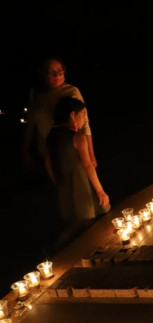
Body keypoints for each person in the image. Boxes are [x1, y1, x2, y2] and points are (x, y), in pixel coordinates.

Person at [44, 96, 110, 248]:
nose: (84, 119)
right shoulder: (78, 137)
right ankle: (89, 248)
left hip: (64, 185)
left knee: (76, 220)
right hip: (81, 185)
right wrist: (100, 191)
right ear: (73, 115)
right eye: (83, 115)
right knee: (88, 219)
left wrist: (57, 181)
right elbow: (88, 165)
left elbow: (48, 163)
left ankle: (62, 246)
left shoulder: (50, 137)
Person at [23, 57, 97, 170]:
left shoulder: (71, 92)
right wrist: (26, 147)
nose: (57, 75)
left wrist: (91, 154)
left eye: (60, 71)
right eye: (52, 72)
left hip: (68, 148)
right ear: (43, 74)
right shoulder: (37, 94)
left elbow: (85, 123)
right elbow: (31, 122)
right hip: (45, 149)